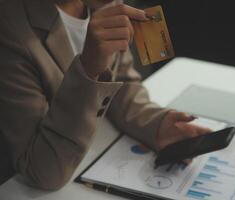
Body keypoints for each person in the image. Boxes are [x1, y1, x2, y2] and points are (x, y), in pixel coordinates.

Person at [0, 0, 209, 190]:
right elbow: (44, 171)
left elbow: (122, 81)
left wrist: (156, 124)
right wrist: (89, 68)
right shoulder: (10, 27)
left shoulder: (101, 4)